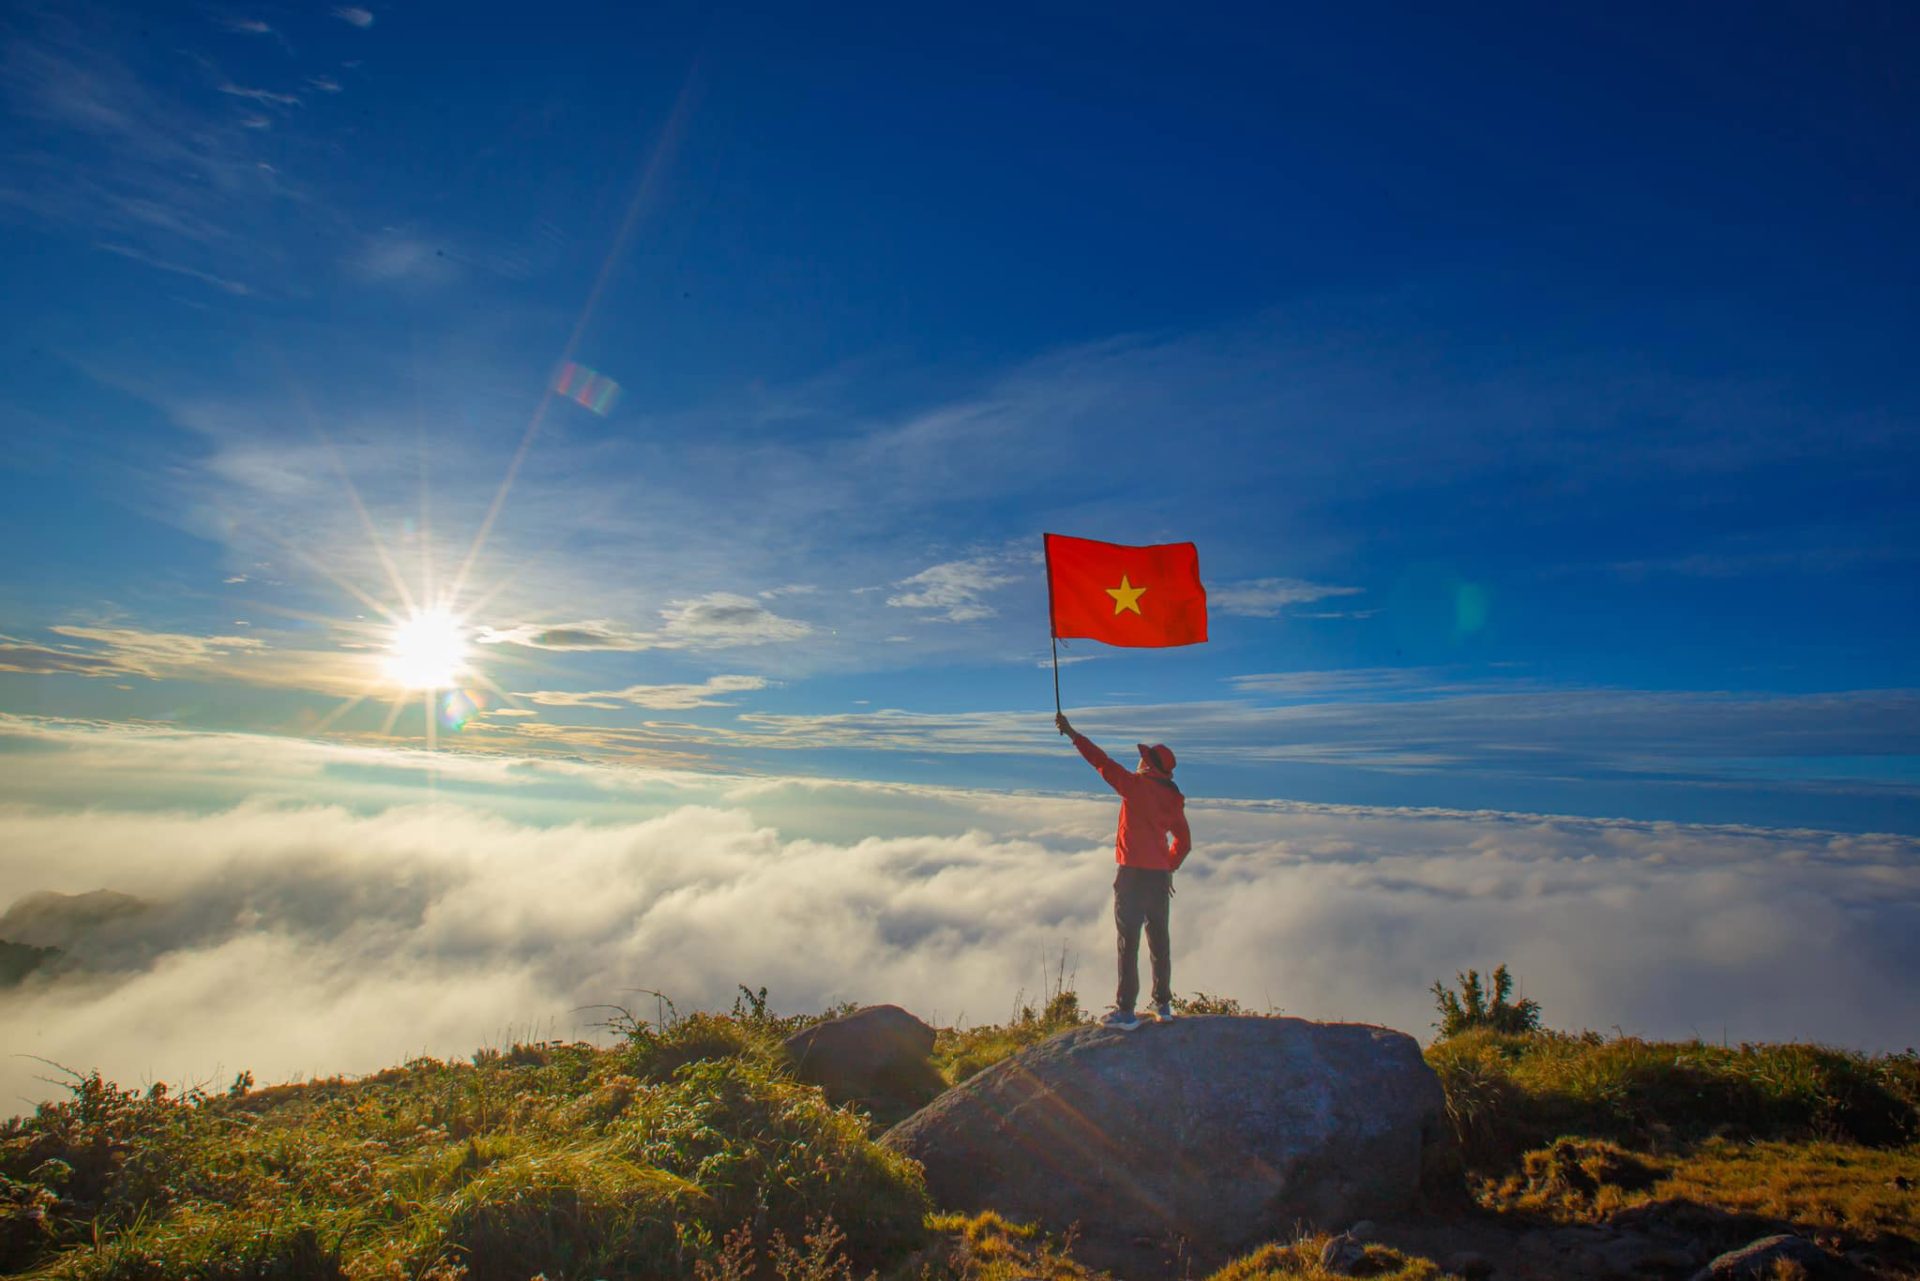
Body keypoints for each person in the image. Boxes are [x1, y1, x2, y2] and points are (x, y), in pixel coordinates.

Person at [1056, 712, 1191, 1030]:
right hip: (1158, 878)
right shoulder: (1173, 800)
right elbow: (1183, 842)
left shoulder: (1134, 786)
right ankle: (1164, 1005)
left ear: (1150, 766)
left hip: (1131, 875)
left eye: (1144, 759)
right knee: (1160, 941)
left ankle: (1126, 1012)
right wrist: (1167, 865)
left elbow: (1101, 762)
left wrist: (1073, 733)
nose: (1140, 762)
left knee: (1128, 942)